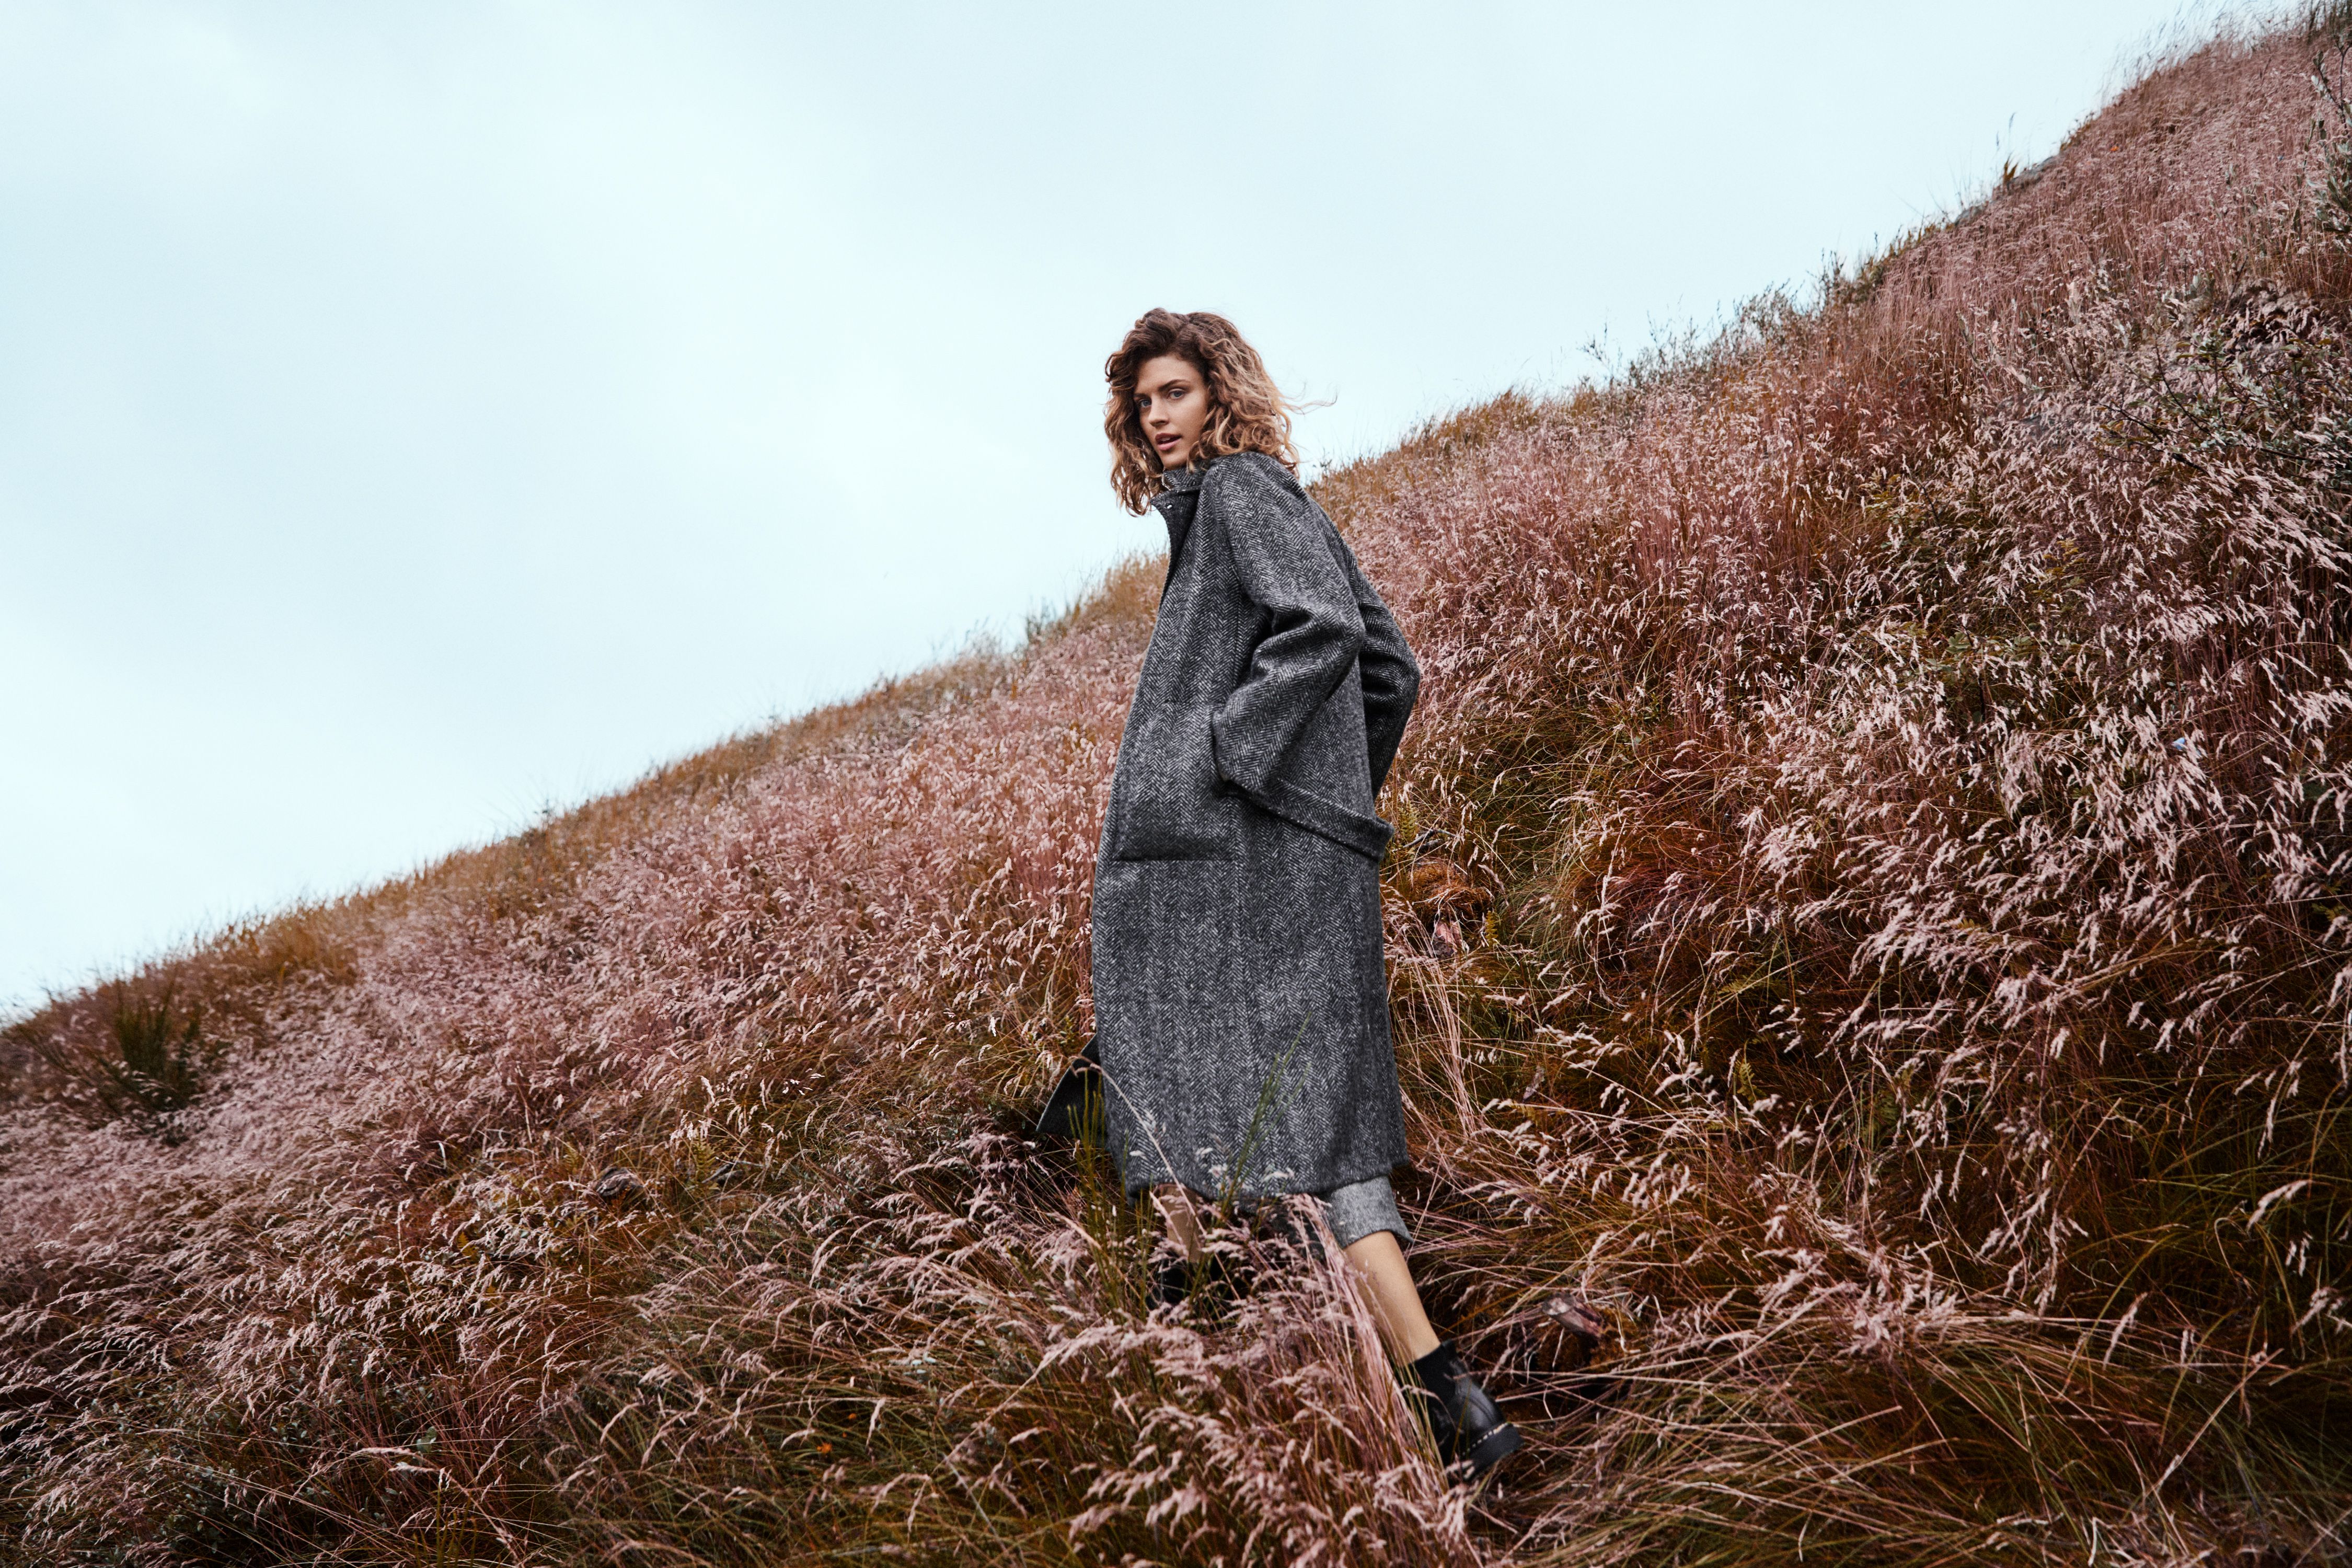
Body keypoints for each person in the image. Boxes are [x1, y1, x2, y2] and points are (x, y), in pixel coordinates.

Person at [1089, 307, 1520, 1479]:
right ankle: (1457, 1410)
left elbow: (1326, 633)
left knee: (1150, 1060)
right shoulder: (1266, 504)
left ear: (1218, 392)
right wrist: (1321, 805)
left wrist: (1232, 758)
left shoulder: (1237, 495)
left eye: (1173, 393)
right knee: (1322, 1137)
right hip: (1275, 863)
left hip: (1211, 869)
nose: (1156, 418)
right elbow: (1393, 666)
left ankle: (1179, 1327)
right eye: (1143, 404)